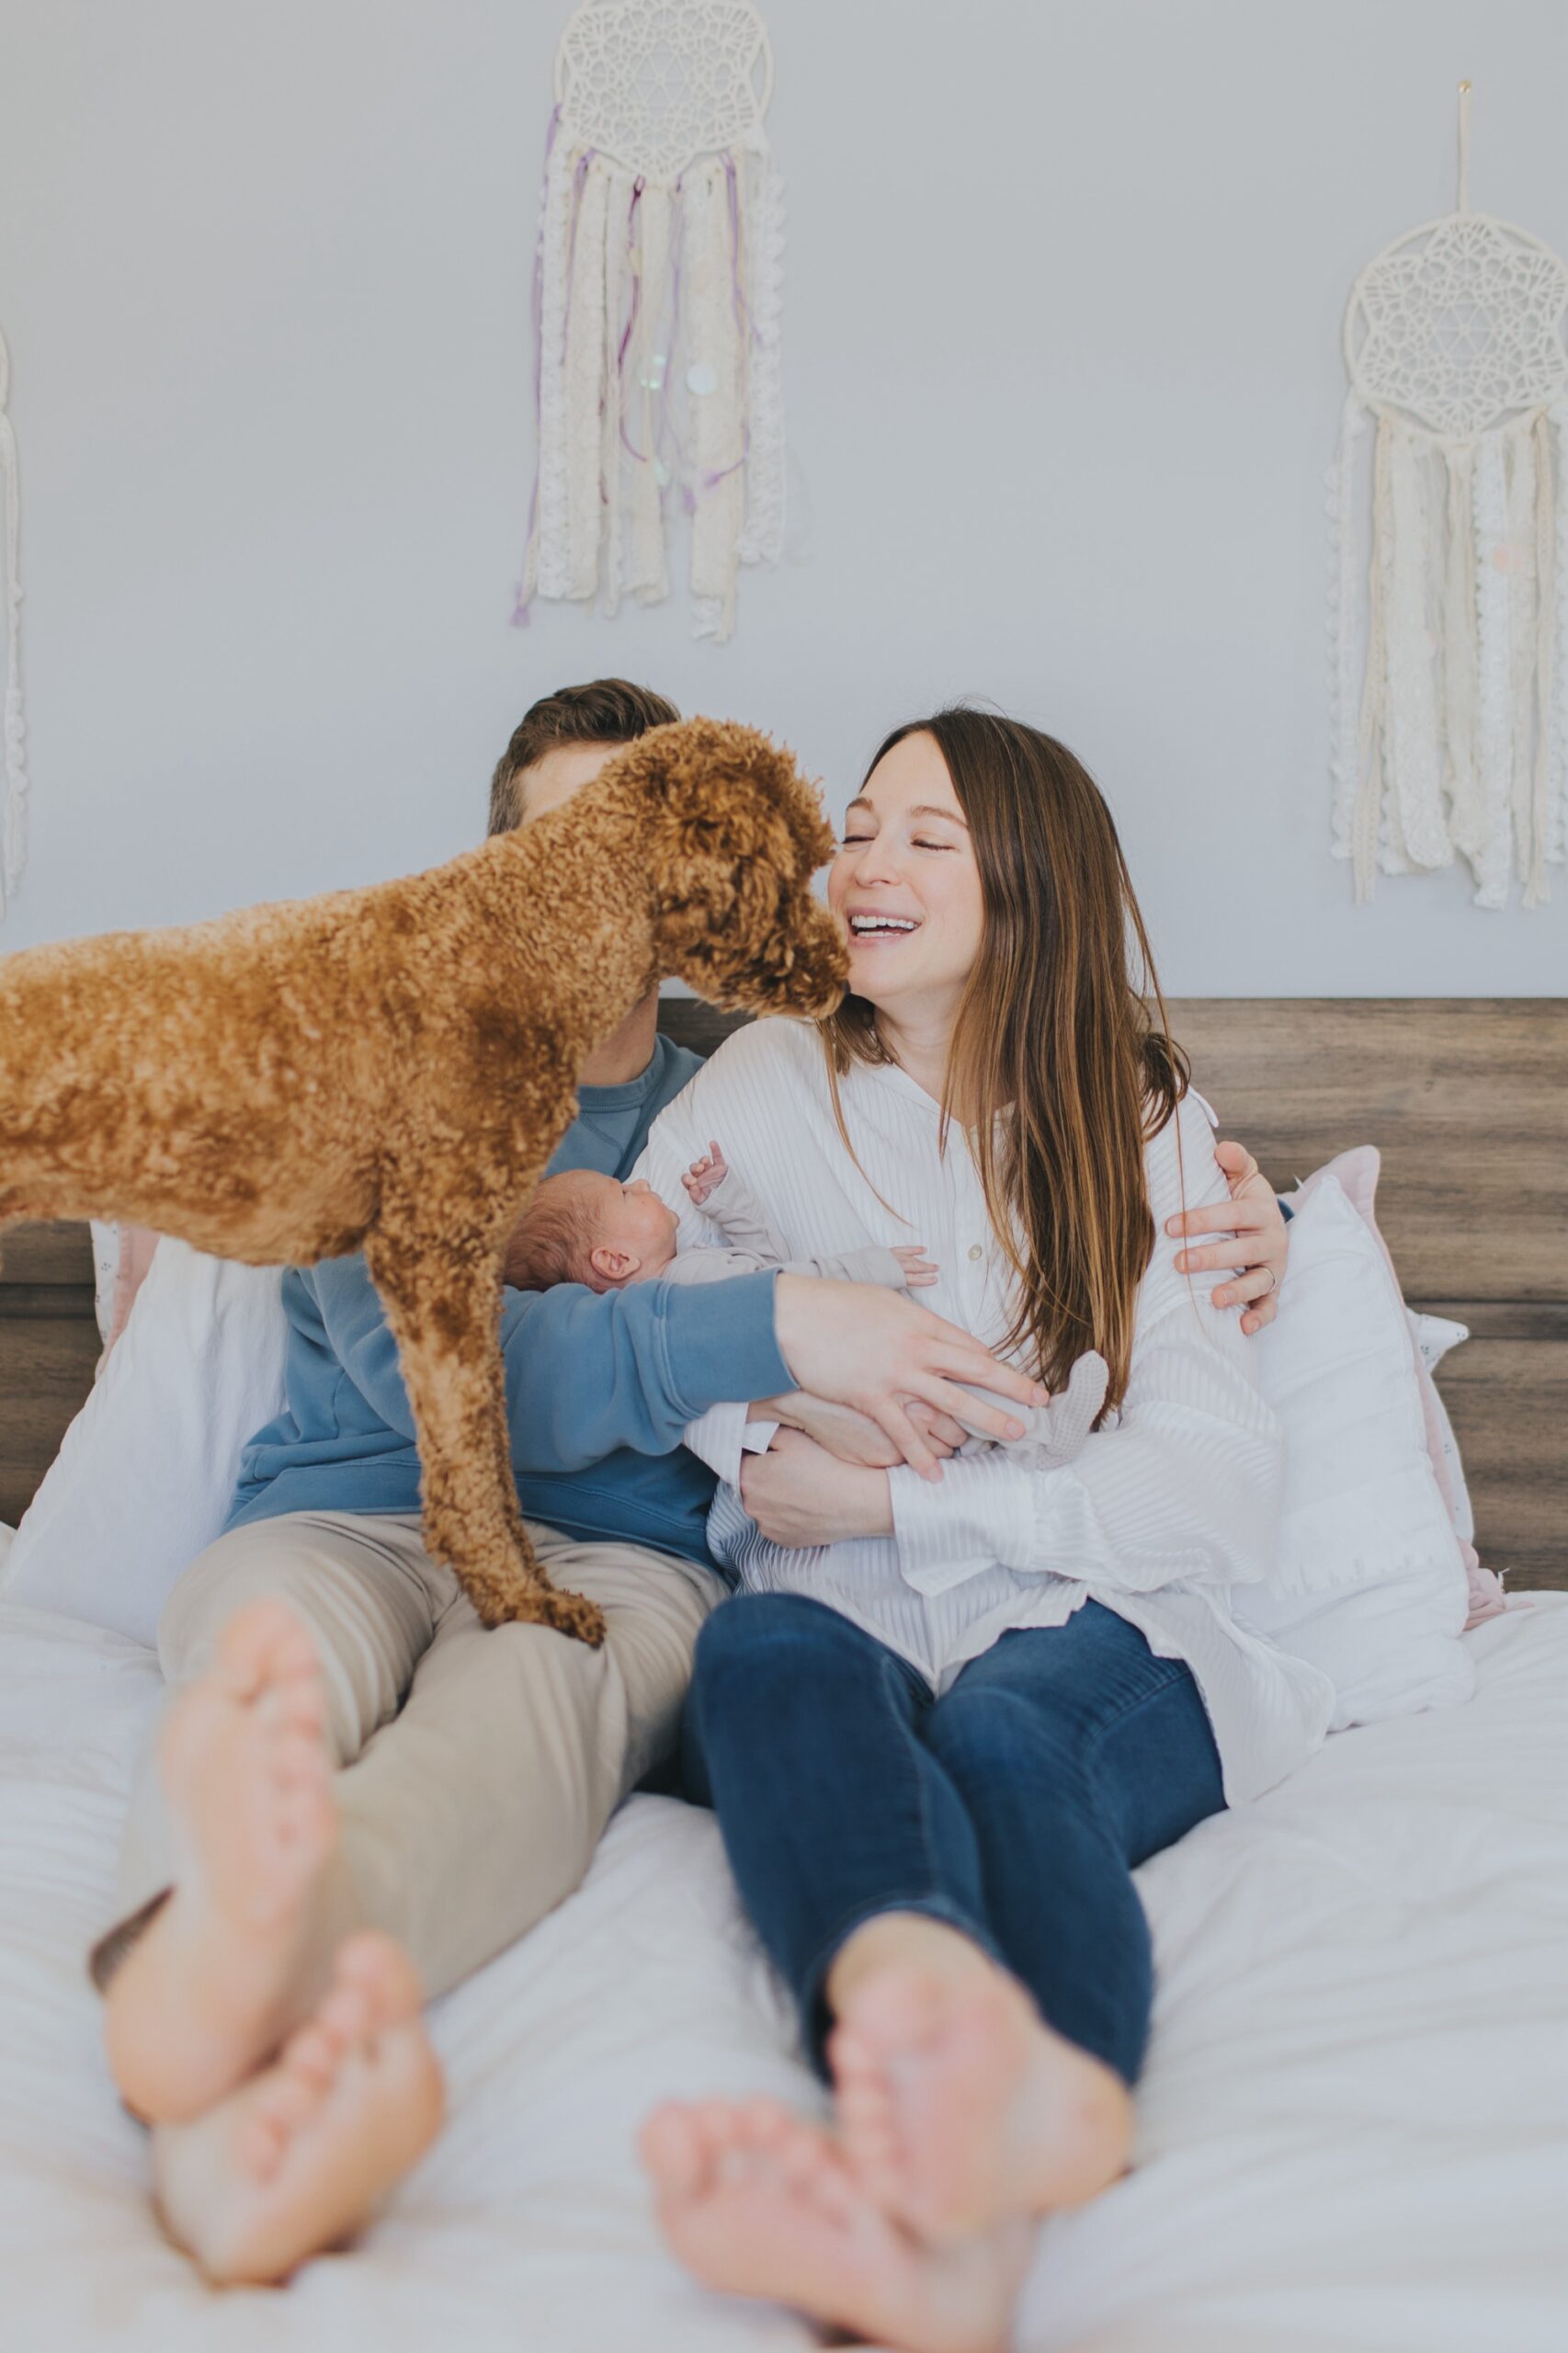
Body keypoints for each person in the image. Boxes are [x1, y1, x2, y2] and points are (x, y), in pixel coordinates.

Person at [88, 680, 1289, 2288]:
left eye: (629, 853)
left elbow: (1138, 1341)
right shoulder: (432, 1070)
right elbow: (502, 1367)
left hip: (650, 1559)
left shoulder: (779, 1082)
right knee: (263, 1683)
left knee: (581, 1719)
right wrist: (772, 1339)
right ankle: (213, 2067)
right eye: (554, 849)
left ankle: (977, 2158)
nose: (590, 891)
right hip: (372, 1516)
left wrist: (1241, 1208)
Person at [634, 709, 1335, 2353]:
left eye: (923, 838)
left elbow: (1210, 1487)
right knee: (759, 1652)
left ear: (1026, 884)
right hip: (829, 1601)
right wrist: (753, 1413)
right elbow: (634, 1289)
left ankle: (1050, 2103)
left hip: (1097, 1618)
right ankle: (921, 2029)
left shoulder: (1143, 1116)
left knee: (1014, 1737)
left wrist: (895, 1494)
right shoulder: (763, 1079)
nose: (862, 861)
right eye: (859, 826)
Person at [503, 1142, 939, 1292]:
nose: (641, 1184)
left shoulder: (688, 1269)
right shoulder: (689, 1285)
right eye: (623, 1193)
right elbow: (786, 1288)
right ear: (616, 1261)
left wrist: (722, 1198)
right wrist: (868, 1268)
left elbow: (767, 1257)